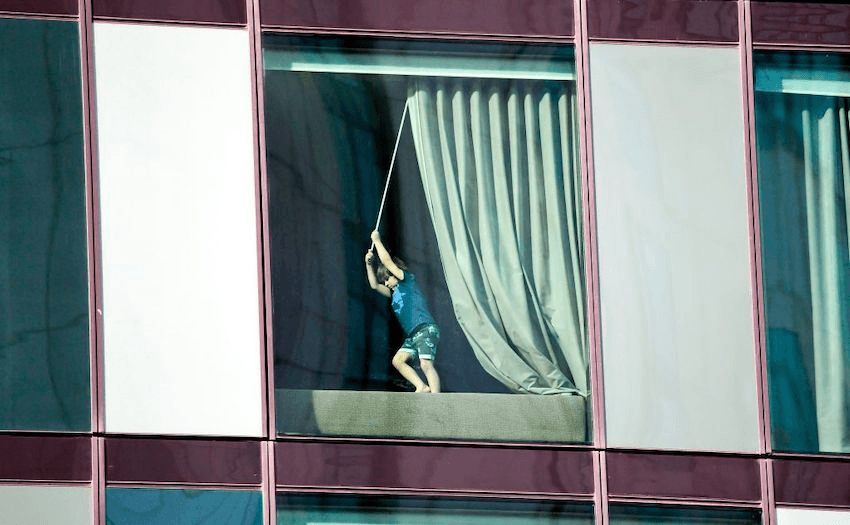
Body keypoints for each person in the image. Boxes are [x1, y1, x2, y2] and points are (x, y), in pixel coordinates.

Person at [365, 230, 441, 393]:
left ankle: (437, 399)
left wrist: (377, 241)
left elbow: (386, 261)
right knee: (398, 361)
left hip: (425, 328)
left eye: (386, 278)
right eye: (383, 281)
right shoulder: (393, 293)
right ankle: (421, 386)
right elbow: (373, 285)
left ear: (394, 272)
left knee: (426, 364)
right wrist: (368, 264)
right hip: (414, 335)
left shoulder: (406, 280)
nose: (385, 283)